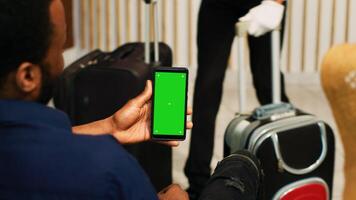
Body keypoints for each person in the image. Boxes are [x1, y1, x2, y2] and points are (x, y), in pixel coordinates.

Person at [0, 0, 192, 199]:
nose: (62, 61)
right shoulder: (107, 167)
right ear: (28, 77)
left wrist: (111, 127)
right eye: (58, 50)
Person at [185, 0, 290, 198]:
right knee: (208, 85)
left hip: (265, 2)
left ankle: (288, 166)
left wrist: (276, 3)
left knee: (268, 84)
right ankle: (197, 182)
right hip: (218, 6)